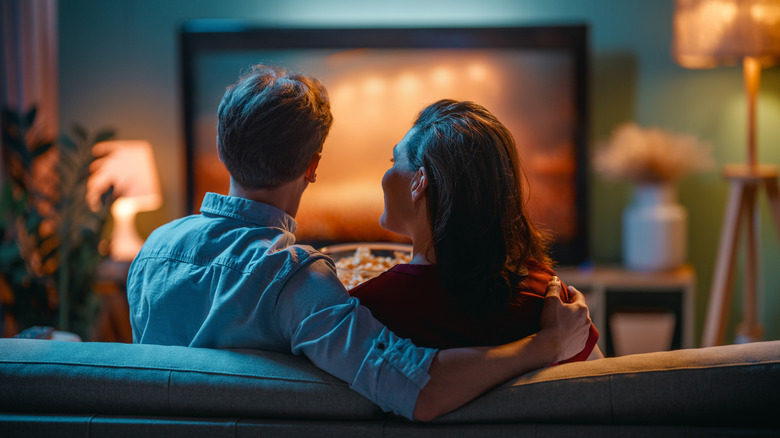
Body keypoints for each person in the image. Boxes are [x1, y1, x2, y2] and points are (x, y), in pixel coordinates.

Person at [126, 64, 593, 422]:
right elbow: (418, 390)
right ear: (313, 165)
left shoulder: (153, 251)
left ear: (223, 147)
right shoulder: (299, 283)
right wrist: (545, 344)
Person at [349, 99, 602, 361]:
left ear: (418, 183)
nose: (386, 172)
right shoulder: (550, 300)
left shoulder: (367, 308)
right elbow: (600, 384)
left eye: (394, 161)